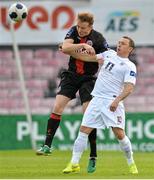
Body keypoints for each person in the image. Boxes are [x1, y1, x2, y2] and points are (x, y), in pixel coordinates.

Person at [36, 12, 108, 173]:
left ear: (90, 26)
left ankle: (93, 156)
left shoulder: (99, 39)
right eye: (78, 26)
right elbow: (65, 46)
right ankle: (47, 145)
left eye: (83, 28)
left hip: (89, 79)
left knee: (88, 115)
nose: (80, 30)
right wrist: (82, 46)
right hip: (71, 75)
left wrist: (75, 51)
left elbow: (104, 57)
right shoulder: (73, 31)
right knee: (57, 107)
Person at [62, 36, 138, 175]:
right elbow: (88, 58)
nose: (119, 45)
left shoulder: (129, 66)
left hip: (112, 102)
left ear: (130, 49)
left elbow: (129, 88)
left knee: (120, 135)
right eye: (119, 42)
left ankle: (131, 162)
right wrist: (69, 52)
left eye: (123, 44)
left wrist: (117, 101)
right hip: (96, 100)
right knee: (83, 130)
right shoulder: (109, 54)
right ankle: (74, 163)